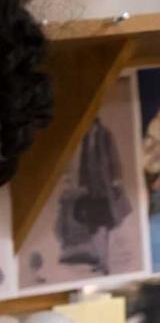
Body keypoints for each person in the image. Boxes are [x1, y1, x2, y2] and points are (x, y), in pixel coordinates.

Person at [56, 114, 130, 275]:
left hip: (104, 189)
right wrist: (82, 184)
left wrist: (116, 179)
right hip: (91, 189)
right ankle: (101, 260)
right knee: (92, 227)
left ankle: (104, 262)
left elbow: (113, 157)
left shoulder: (105, 135)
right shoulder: (85, 137)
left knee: (103, 226)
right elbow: (84, 162)